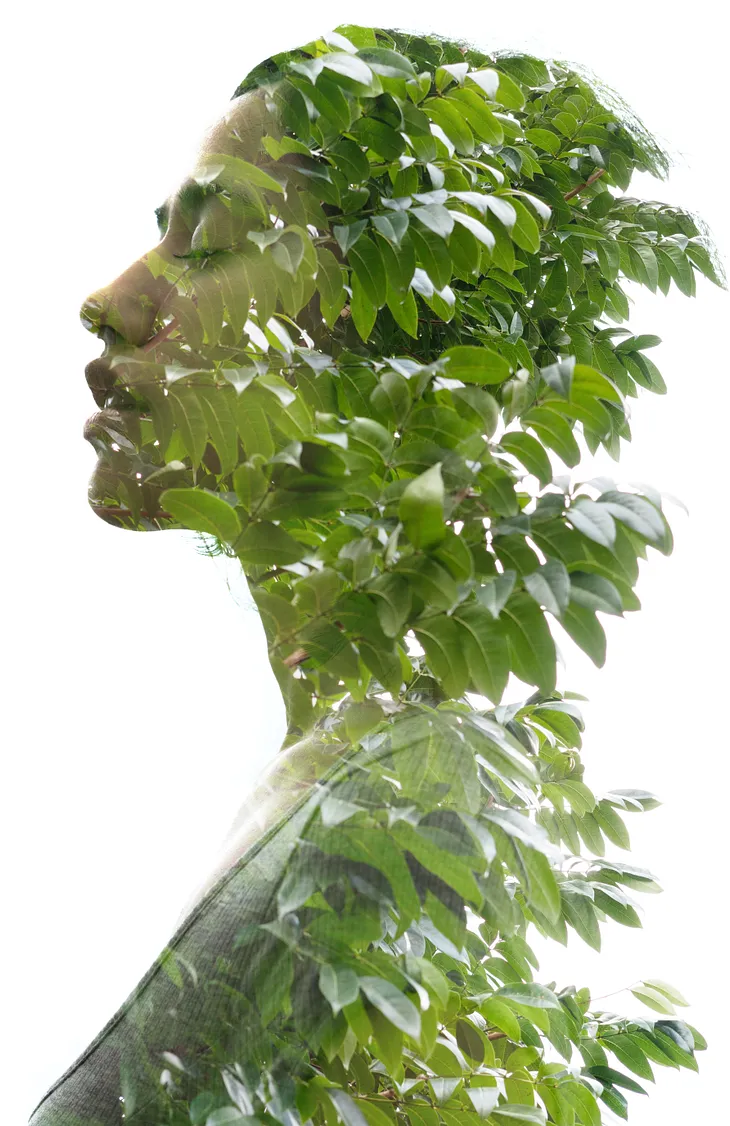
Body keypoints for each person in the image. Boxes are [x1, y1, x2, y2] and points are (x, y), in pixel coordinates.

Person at [29, 22, 717, 1126]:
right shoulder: (349, 784)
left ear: (378, 332)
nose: (112, 300)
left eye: (206, 247)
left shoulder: (409, 806)